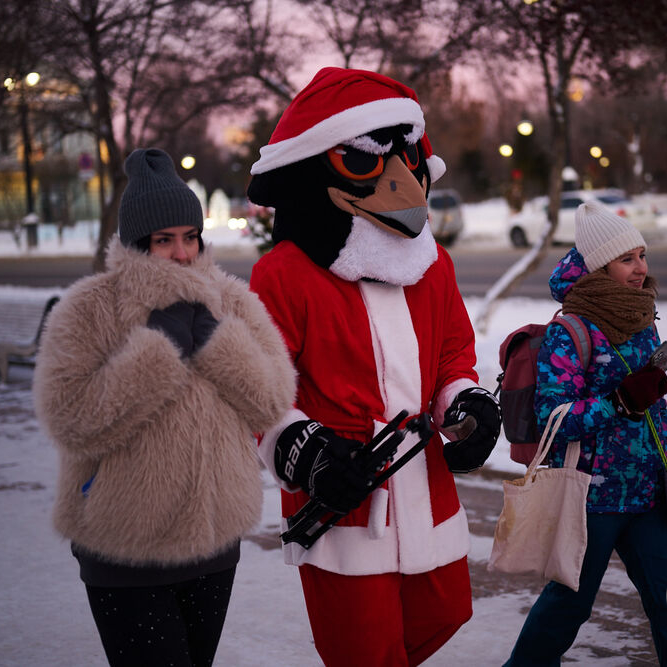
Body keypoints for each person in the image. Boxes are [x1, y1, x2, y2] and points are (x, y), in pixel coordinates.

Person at [246, 67, 502, 666]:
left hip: (424, 488)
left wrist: (464, 403)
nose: (401, 181)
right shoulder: (284, 274)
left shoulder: (433, 265)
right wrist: (304, 451)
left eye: (407, 157)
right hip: (345, 502)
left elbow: (452, 354)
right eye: (363, 160)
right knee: (363, 650)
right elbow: (257, 387)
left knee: (445, 613)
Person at [33, 148, 296, 667]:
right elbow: (68, 419)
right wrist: (157, 352)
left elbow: (272, 401)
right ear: (138, 242)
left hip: (214, 543)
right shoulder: (90, 307)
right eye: (164, 240)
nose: (181, 253)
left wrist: (219, 344)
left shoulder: (230, 301)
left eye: (190, 237)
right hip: (125, 547)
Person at [504, 200, 667, 666]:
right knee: (568, 607)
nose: (640, 268)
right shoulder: (570, 329)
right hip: (591, 497)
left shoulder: (640, 318)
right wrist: (617, 402)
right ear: (599, 267)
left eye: (642, 255)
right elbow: (555, 417)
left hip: (646, 490)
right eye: (626, 259)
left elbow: (653, 403)